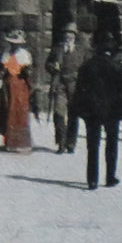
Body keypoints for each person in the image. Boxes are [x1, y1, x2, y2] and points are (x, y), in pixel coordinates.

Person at [71, 45, 122, 189]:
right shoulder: (117, 67)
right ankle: (110, 177)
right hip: (112, 111)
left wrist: (79, 110)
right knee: (112, 144)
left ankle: (92, 180)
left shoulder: (86, 67)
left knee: (92, 146)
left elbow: (79, 90)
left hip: (92, 111)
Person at [46, 23, 85, 154]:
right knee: (58, 113)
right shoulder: (57, 48)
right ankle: (61, 143)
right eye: (66, 33)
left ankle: (71, 143)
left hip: (76, 85)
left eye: (71, 33)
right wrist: (53, 66)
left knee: (74, 115)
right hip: (60, 83)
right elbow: (48, 63)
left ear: (75, 35)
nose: (68, 35)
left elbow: (86, 67)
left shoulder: (81, 50)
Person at [0, 31, 35, 153]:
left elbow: (29, 72)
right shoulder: (6, 54)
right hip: (8, 86)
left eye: (16, 44)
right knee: (8, 111)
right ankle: (9, 142)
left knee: (20, 111)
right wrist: (1, 72)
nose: (14, 46)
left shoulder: (24, 54)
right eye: (12, 43)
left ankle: (22, 143)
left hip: (20, 86)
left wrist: (26, 72)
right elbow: (1, 69)